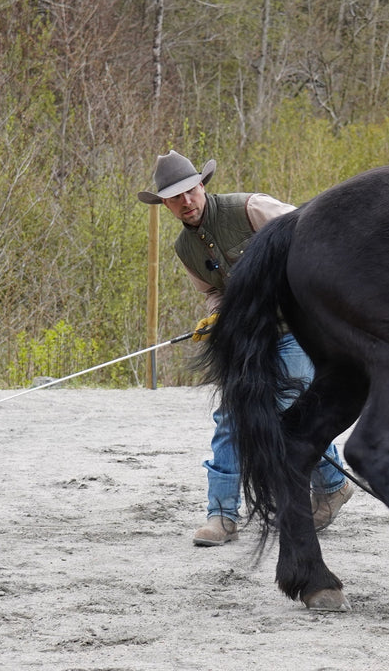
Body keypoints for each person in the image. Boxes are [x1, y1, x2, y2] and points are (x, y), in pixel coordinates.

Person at [138, 150, 353, 546]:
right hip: (249, 339)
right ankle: (221, 516)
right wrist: (217, 317)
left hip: (297, 329)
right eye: (174, 198)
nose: (185, 202)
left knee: (289, 409)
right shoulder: (185, 249)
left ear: (201, 186)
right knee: (231, 415)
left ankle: (332, 486)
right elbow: (214, 293)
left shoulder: (250, 208)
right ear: (164, 204)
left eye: (189, 191)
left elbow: (310, 232)